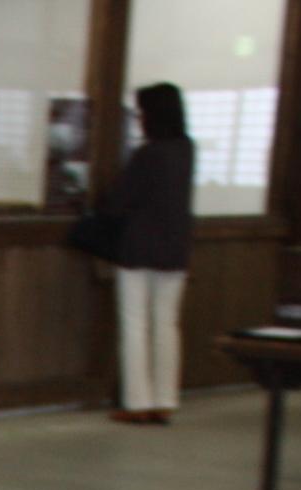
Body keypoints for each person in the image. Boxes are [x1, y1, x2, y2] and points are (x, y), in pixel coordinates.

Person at [105, 84, 195, 428]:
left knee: (134, 324)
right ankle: (165, 400)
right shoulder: (186, 150)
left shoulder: (147, 154)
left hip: (138, 249)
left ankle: (137, 402)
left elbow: (118, 201)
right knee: (167, 324)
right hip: (175, 248)